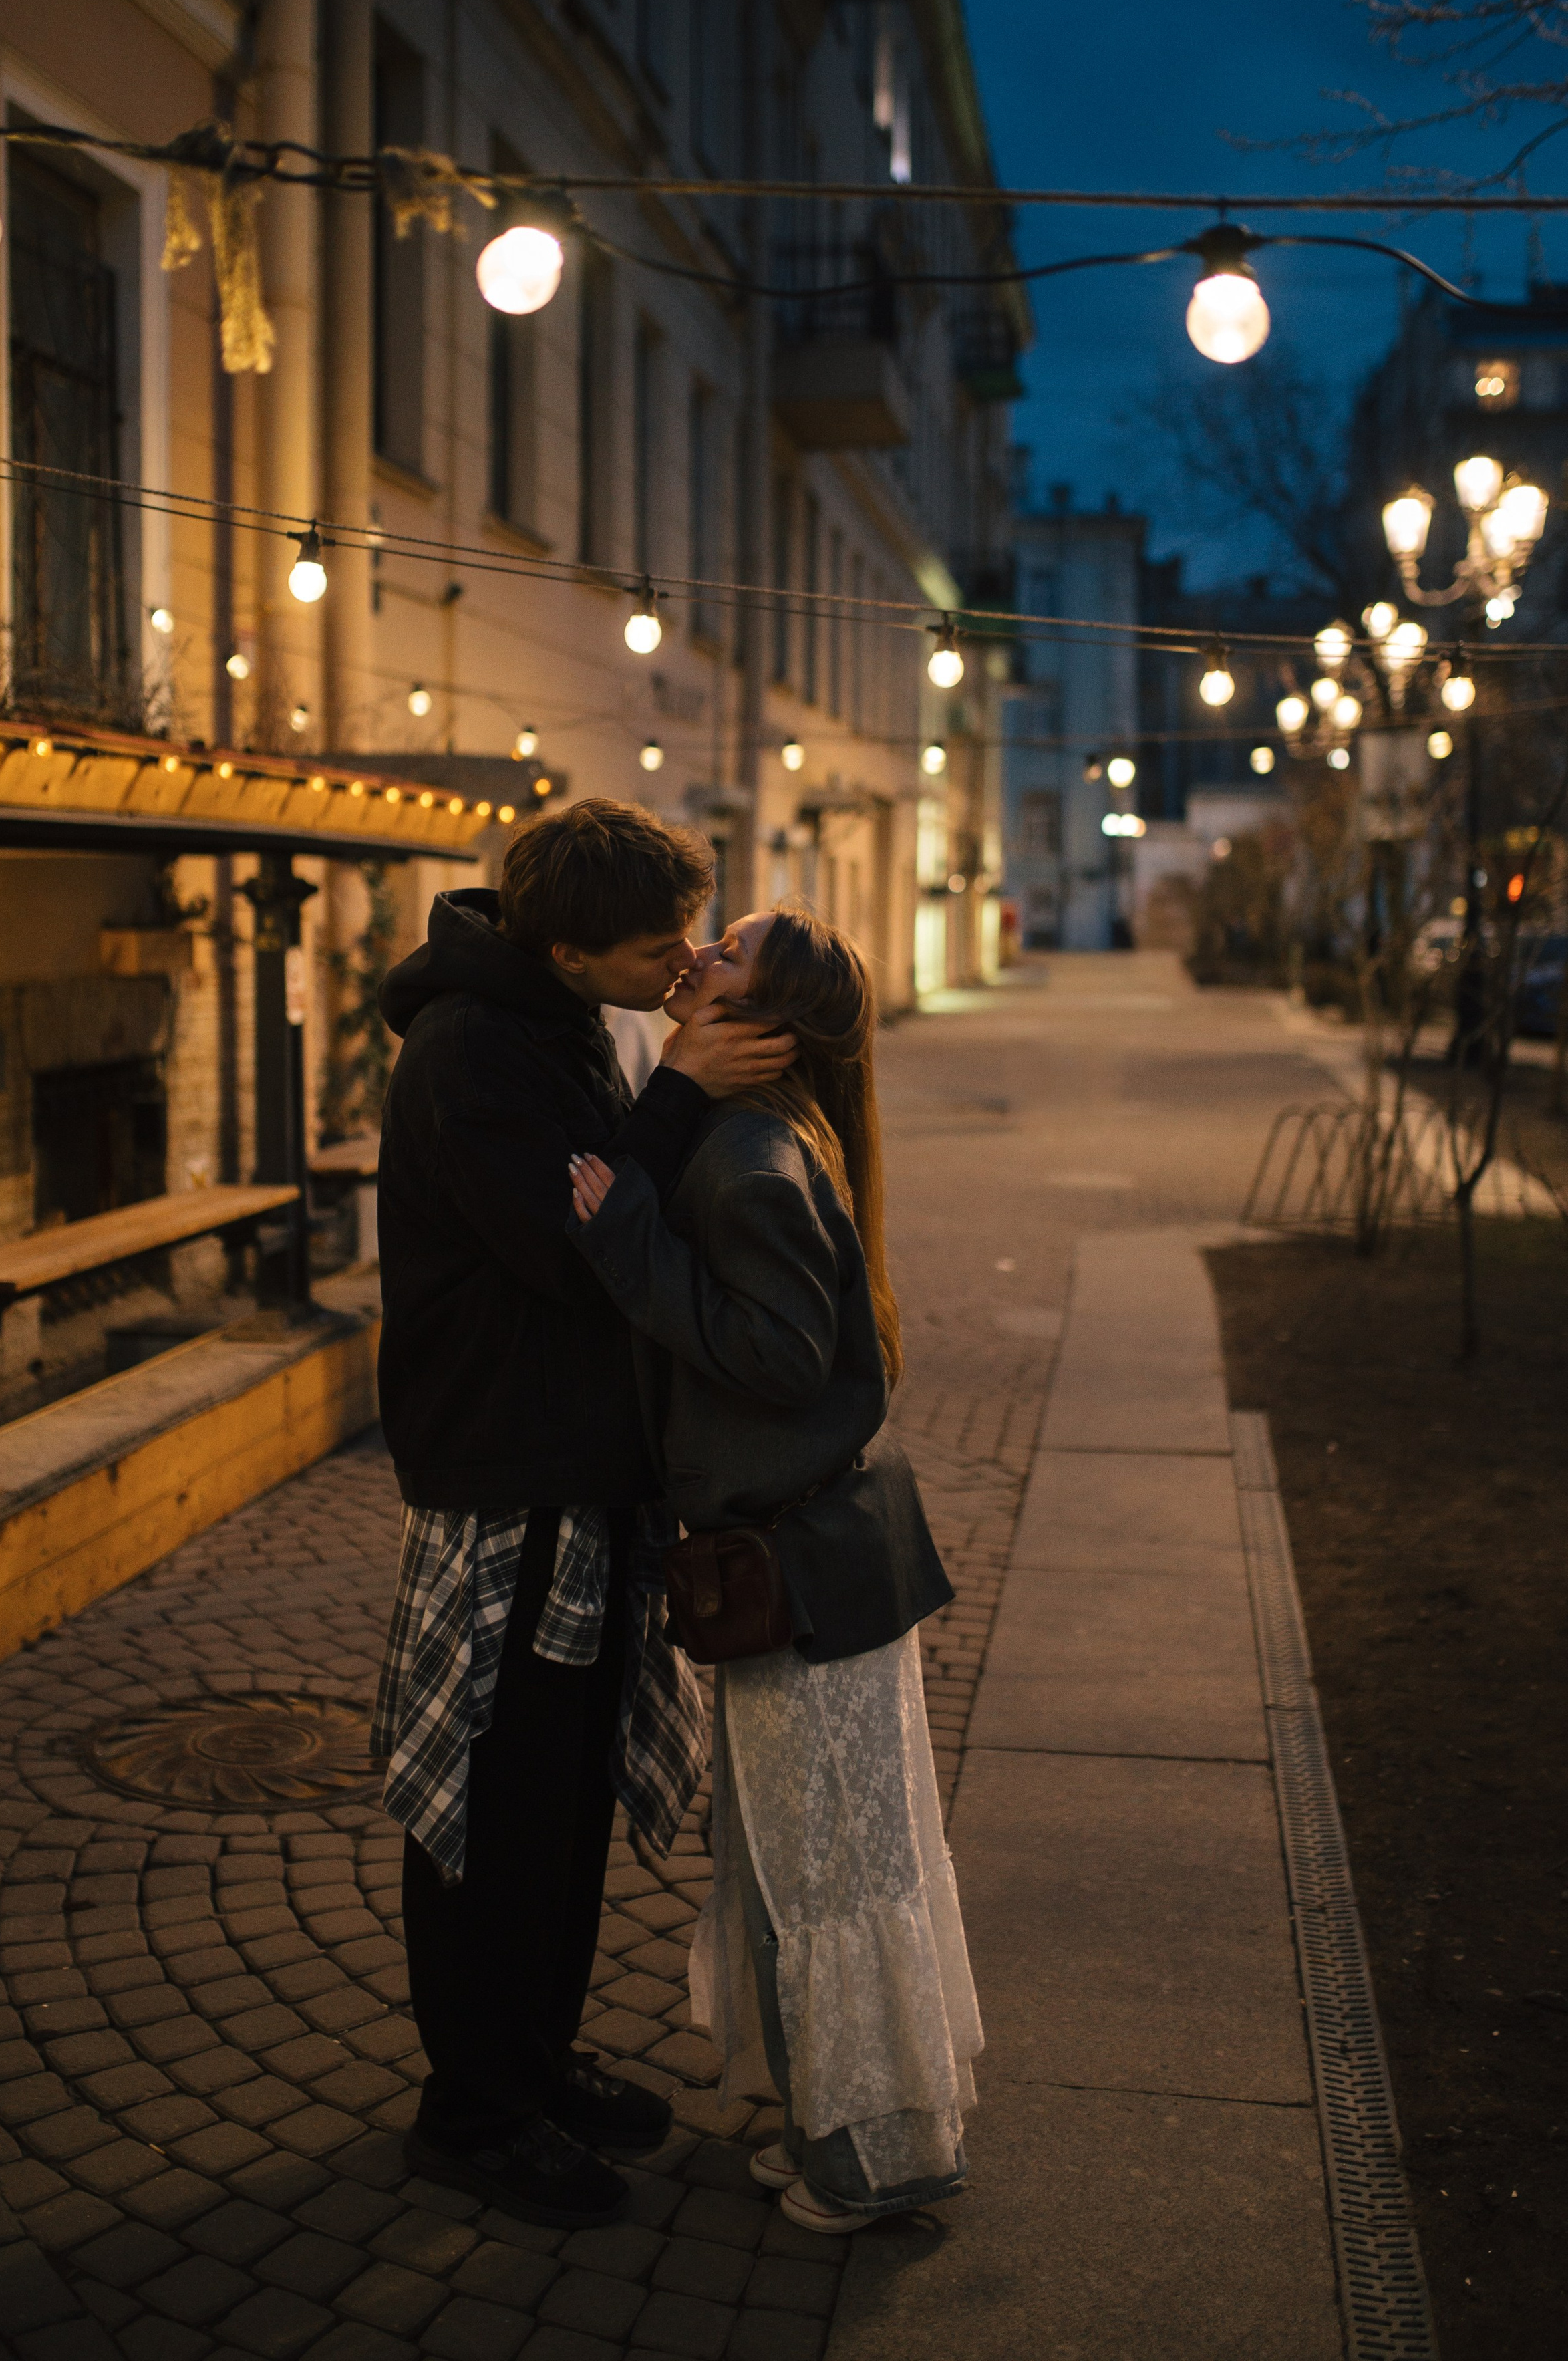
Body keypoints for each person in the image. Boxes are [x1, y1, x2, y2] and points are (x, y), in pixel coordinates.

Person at [370, 799, 796, 2229]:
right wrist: (676, 1089)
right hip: (507, 1479)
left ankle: (535, 2065)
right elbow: (572, 1251)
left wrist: (660, 1069)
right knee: (495, 1809)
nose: (680, 962)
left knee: (558, 1812)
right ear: (564, 948)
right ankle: (472, 2110)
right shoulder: (470, 1054)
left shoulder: (554, 1018)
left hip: (573, 1467)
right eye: (654, 943)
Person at [567, 903, 983, 2235]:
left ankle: (874, 2161)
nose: (695, 955)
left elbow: (782, 1360)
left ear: (771, 1020)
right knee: (817, 1861)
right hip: (808, 1562)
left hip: (796, 1575)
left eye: (727, 952)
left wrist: (627, 1243)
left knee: (828, 1871)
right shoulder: (760, 1129)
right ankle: (843, 2123)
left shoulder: (747, 1156)